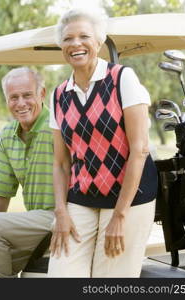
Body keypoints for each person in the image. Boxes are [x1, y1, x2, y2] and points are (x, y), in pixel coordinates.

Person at [47, 9, 158, 278]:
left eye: (84, 36)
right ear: (61, 46)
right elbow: (62, 163)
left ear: (98, 42)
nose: (75, 44)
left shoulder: (122, 79)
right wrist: (60, 212)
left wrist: (120, 216)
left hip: (129, 197)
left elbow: (140, 149)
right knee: (62, 274)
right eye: (67, 39)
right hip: (81, 197)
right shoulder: (59, 94)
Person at [0, 67, 55, 278]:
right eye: (13, 97)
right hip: (35, 226)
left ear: (42, 94)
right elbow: (0, 194)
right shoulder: (7, 135)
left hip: (61, 219)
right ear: (7, 101)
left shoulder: (57, 127)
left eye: (27, 95)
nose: (21, 103)